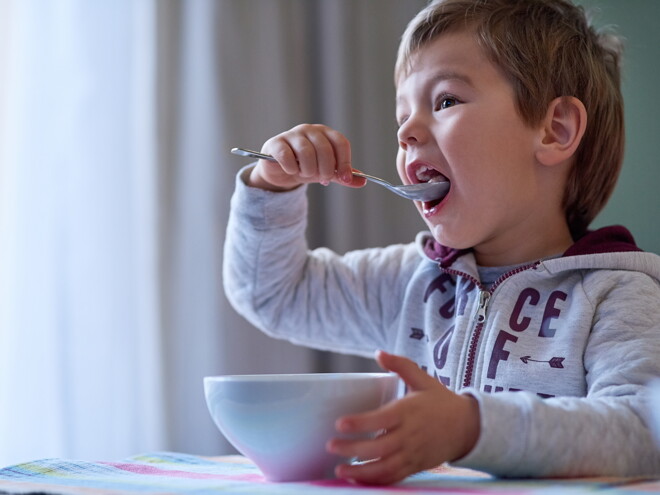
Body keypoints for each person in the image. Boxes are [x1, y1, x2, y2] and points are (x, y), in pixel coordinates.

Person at [223, 0, 660, 484]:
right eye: (401, 116)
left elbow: (644, 432)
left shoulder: (617, 296)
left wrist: (472, 428)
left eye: (446, 100)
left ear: (554, 130)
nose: (406, 132)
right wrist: (272, 189)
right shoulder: (406, 282)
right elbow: (272, 295)